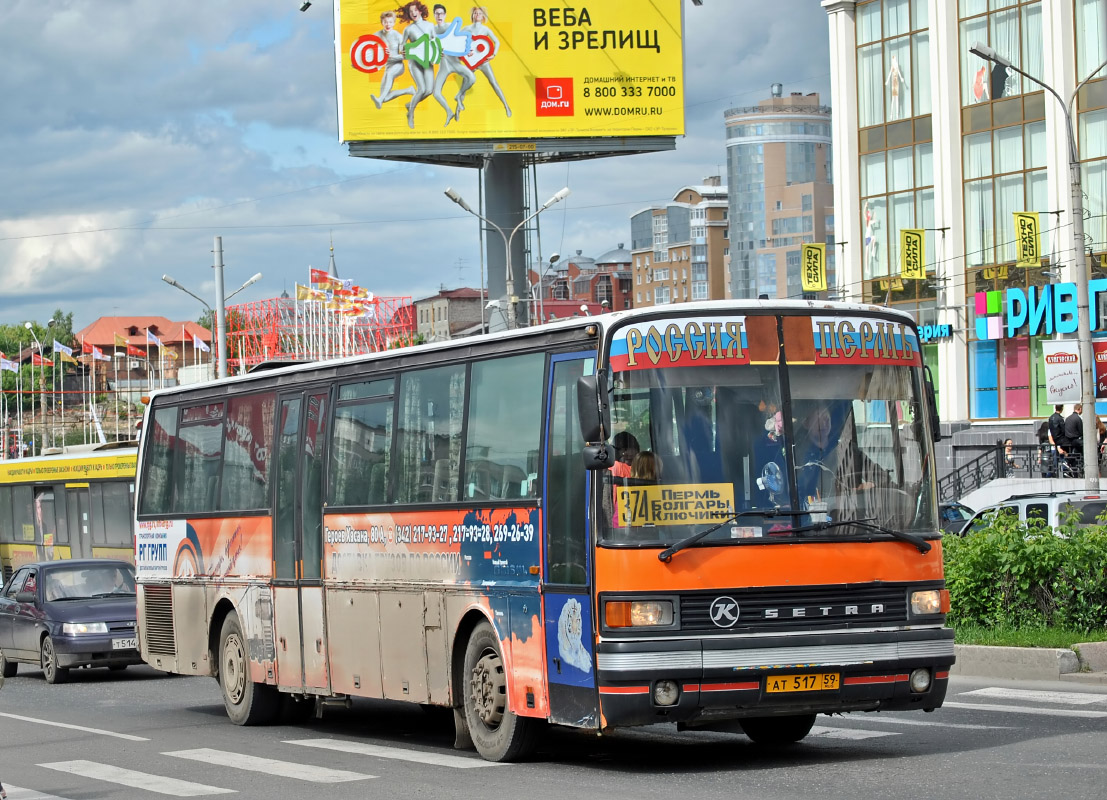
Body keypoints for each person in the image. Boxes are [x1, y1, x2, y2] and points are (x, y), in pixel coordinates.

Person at [460, 6, 511, 118]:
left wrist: (494, 55)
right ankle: (457, 110)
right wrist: (463, 53)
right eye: (475, 13)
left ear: (483, 16)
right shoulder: (466, 28)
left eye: (479, 13)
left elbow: (497, 42)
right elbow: (457, 40)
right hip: (471, 61)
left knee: (494, 83)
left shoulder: (486, 29)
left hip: (483, 62)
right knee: (464, 85)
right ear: (472, 15)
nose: (477, 15)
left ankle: (506, 106)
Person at [430, 3, 475, 125]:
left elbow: (461, 41)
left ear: (445, 15)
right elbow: (429, 51)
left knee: (471, 78)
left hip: (455, 62)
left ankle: (459, 95)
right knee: (436, 93)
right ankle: (449, 112)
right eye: (437, 13)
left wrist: (468, 50)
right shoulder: (432, 30)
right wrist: (434, 56)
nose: (439, 15)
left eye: (441, 13)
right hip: (444, 66)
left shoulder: (451, 26)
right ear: (434, 15)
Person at [398, 1, 437, 129]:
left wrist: (438, 53)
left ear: (420, 11)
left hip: (427, 61)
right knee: (421, 89)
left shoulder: (430, 25)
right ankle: (410, 114)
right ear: (408, 14)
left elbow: (435, 42)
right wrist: (402, 50)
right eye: (410, 11)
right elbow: (402, 45)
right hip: (414, 61)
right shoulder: (408, 29)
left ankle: (410, 104)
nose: (413, 13)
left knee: (429, 90)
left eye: (415, 10)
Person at [370, 10, 415, 110]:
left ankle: (379, 99)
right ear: (382, 23)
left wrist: (389, 56)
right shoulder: (378, 35)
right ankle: (408, 90)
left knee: (390, 75)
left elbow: (405, 56)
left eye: (390, 22)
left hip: (398, 65)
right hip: (387, 66)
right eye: (385, 22)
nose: (388, 24)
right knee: (385, 97)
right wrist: (359, 63)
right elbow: (365, 47)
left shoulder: (398, 36)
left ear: (394, 23)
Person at [1063, 403, 1084, 473]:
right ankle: (1069, 461)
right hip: (1075, 440)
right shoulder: (1078, 418)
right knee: (1082, 451)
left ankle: (1070, 463)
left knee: (1076, 452)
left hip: (1067, 440)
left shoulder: (1068, 418)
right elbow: (1081, 431)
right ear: (1080, 409)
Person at [1048, 404, 1066, 474]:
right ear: (1061, 408)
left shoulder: (1051, 418)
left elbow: (1050, 429)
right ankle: (1063, 472)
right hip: (1060, 441)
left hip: (1053, 441)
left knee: (1055, 461)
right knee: (1062, 459)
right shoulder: (1060, 419)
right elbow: (1063, 430)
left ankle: (1055, 472)